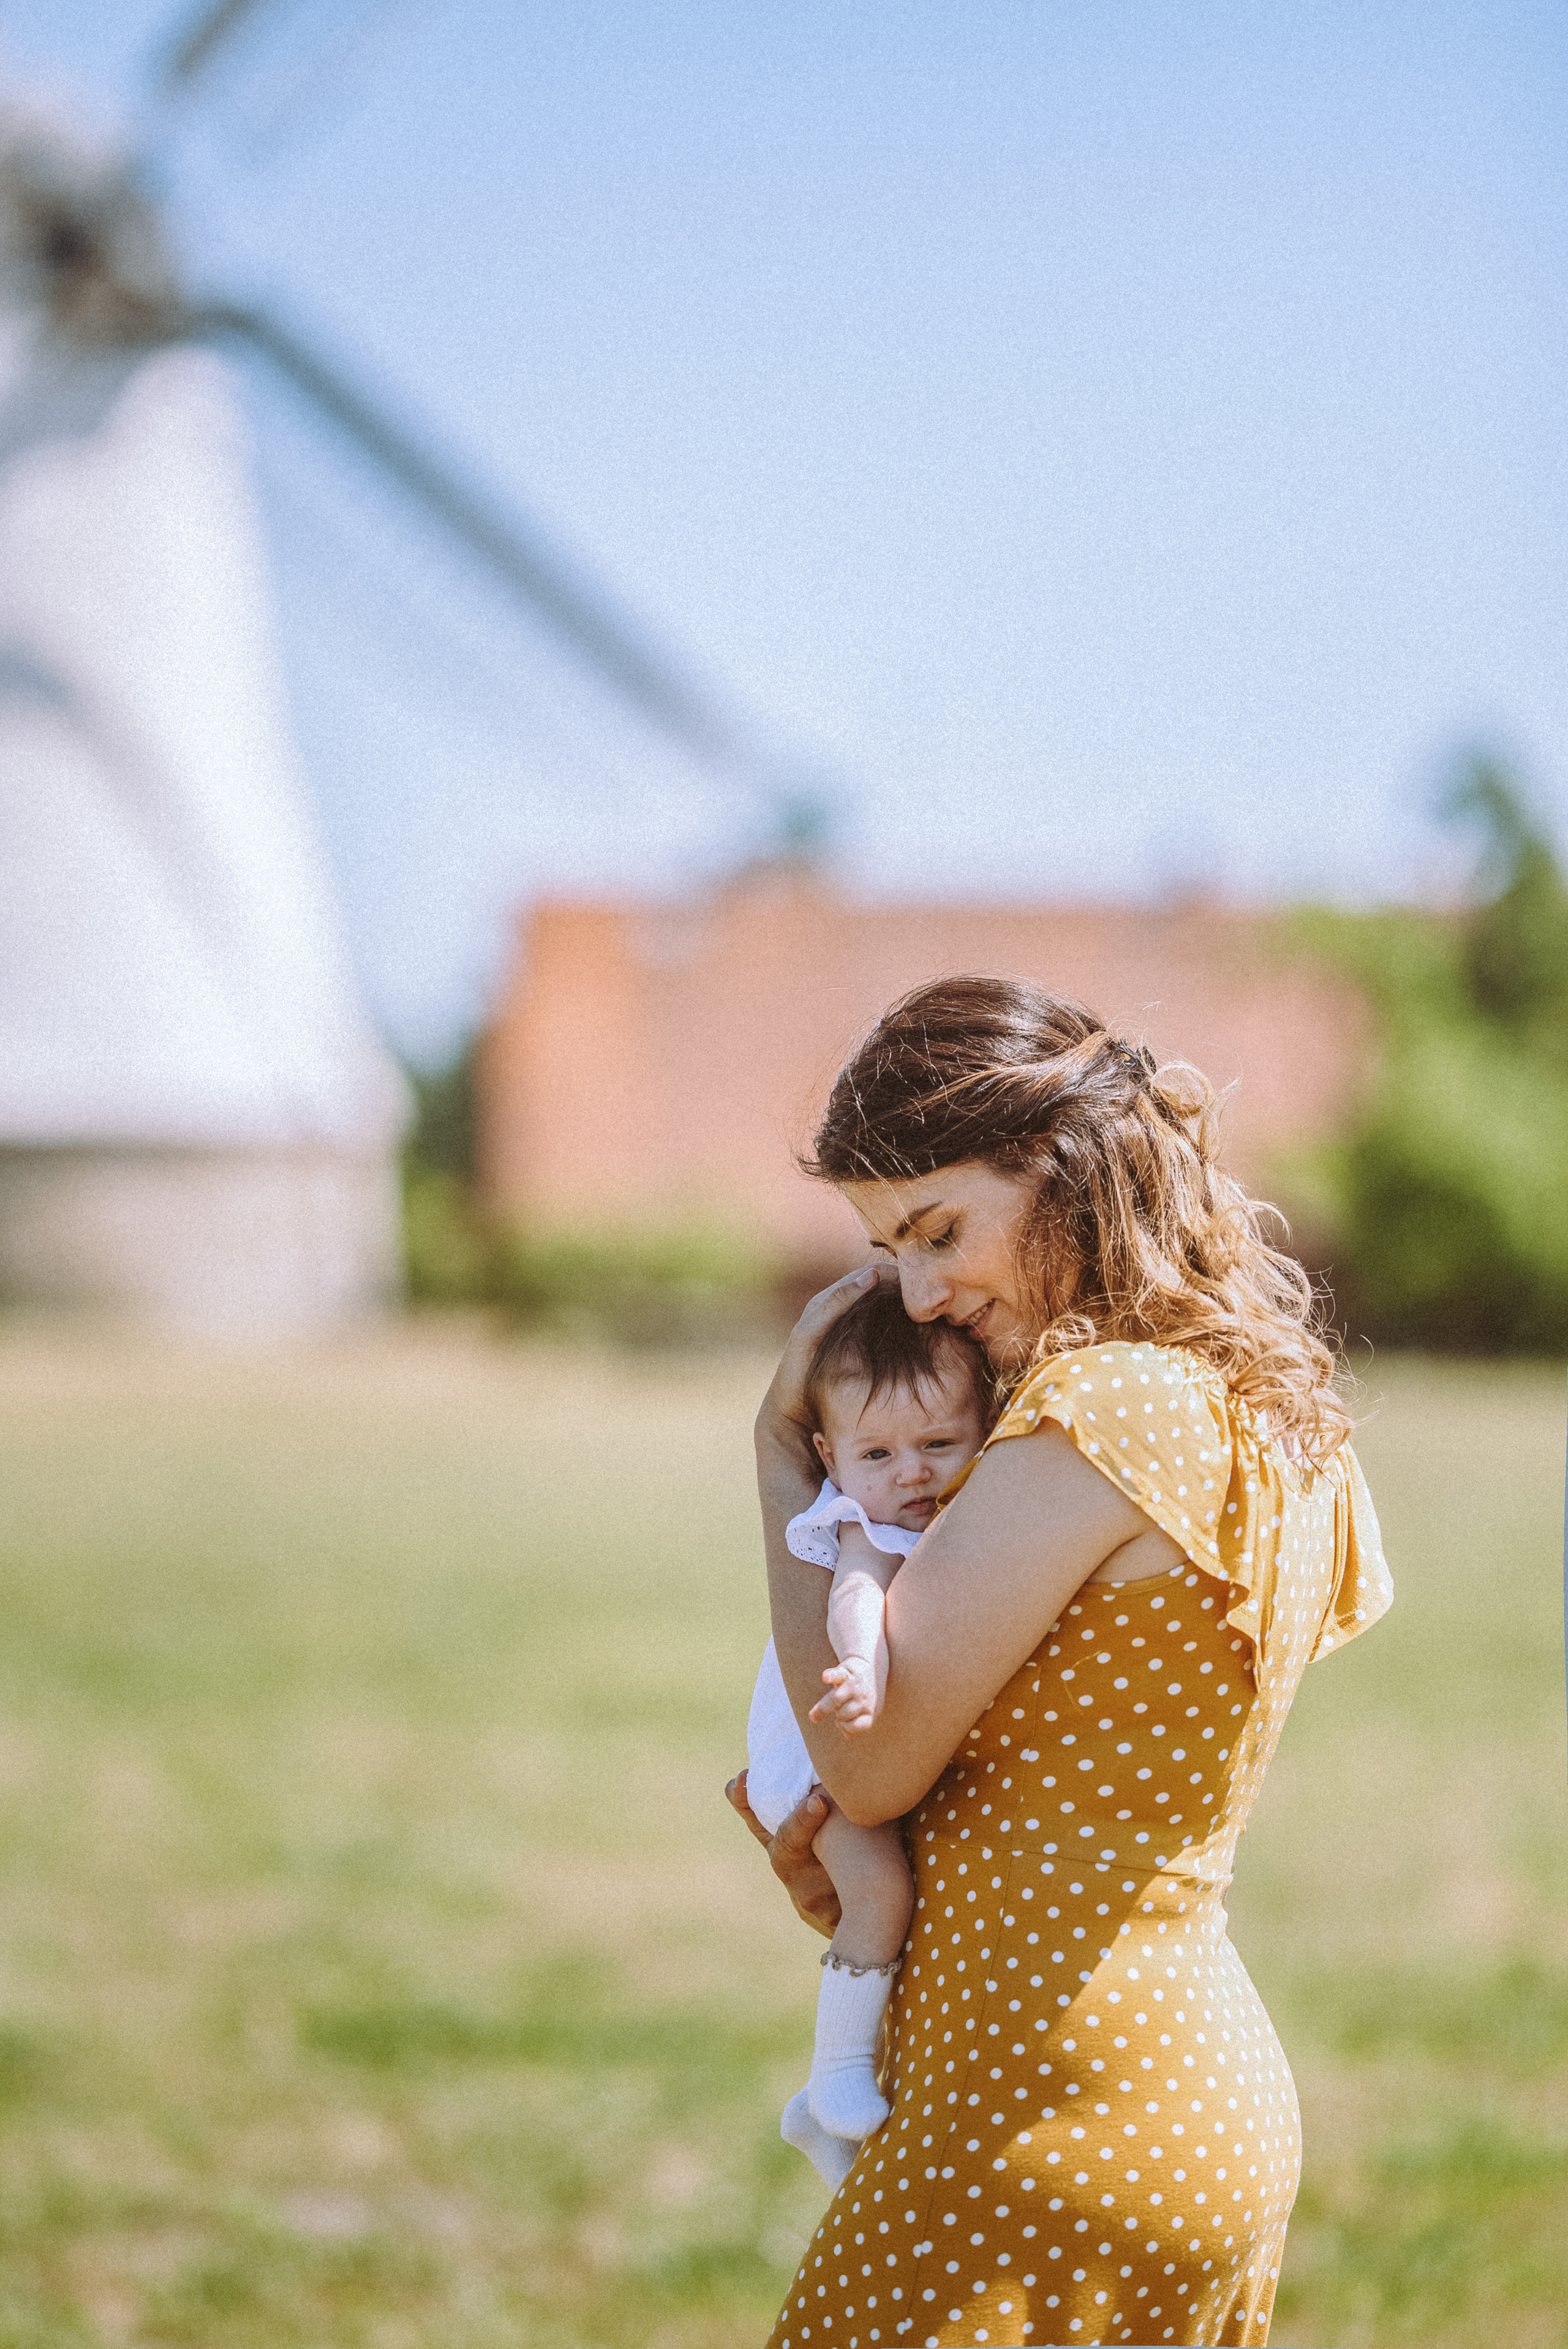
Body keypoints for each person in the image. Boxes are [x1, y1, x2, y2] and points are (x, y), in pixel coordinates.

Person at [734, 975, 1392, 2349]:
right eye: (882, 1249)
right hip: (1155, 2085)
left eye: (936, 1231)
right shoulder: (1250, 1405)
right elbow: (1087, 1781)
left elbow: (863, 1756)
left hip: (1052, 2114)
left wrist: (782, 1455)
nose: (913, 1293)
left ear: (1064, 1170)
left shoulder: (1108, 1406)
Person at [747, 1288, 995, 2190]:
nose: (912, 1474)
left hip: (849, 1732)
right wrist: (862, 1668)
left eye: (938, 1445)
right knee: (881, 1890)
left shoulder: (952, 1509)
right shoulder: (863, 1520)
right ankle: (834, 2079)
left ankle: (826, 2106)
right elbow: (857, 1590)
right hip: (813, 1746)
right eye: (878, 1454)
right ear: (828, 1458)